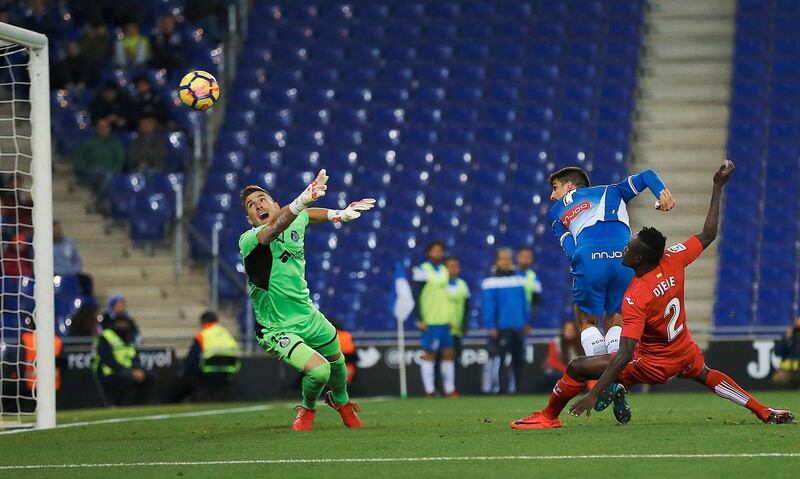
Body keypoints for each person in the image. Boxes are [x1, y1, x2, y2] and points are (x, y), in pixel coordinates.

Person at [512, 161, 796, 429]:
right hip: (684, 352)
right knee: (707, 374)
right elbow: (708, 234)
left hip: (647, 365)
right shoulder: (673, 258)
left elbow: (623, 355)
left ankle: (549, 416)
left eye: (629, 248)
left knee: (577, 365)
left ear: (639, 260)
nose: (625, 248)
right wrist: (717, 186)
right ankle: (764, 410)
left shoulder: (636, 296)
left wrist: (594, 392)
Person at [238, 171, 374, 431]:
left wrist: (339, 214)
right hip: (276, 327)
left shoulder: (296, 219)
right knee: (320, 371)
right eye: (251, 205)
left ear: (276, 205)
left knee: (338, 361)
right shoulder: (250, 240)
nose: (257, 205)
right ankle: (308, 407)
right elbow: (274, 228)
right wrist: (301, 199)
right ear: (249, 219)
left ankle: (340, 401)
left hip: (308, 315)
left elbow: (307, 216)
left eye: (262, 199)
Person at [547, 166, 674, 361]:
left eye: (555, 187)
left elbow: (569, 247)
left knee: (586, 321)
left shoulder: (556, 210)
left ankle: (600, 373)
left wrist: (584, 265)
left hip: (588, 254)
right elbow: (648, 175)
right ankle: (616, 376)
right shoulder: (613, 190)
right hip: (625, 257)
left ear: (569, 186)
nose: (552, 195)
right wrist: (662, 194)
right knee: (617, 319)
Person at [412, 241, 458, 398]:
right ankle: (429, 390)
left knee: (448, 353)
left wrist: (451, 317)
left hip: (445, 320)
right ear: (429, 253)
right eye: (435, 250)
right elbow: (415, 295)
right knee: (429, 354)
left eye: (440, 250)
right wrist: (419, 318)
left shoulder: (445, 271)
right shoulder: (422, 270)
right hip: (429, 320)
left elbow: (447, 296)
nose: (438, 253)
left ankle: (449, 389)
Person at [482, 248, 529, 394]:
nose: (506, 261)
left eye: (508, 258)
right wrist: (491, 326)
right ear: (496, 261)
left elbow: (523, 303)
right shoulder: (490, 282)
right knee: (501, 360)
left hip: (519, 326)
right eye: (502, 258)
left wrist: (526, 321)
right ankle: (500, 389)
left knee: (518, 360)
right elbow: (489, 306)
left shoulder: (519, 279)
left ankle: (518, 390)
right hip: (502, 327)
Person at [169, 311, 240, 403]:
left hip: (207, 372)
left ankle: (174, 402)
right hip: (227, 372)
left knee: (186, 375)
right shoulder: (226, 333)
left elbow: (191, 360)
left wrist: (182, 369)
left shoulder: (202, 335)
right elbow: (235, 350)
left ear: (203, 322)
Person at [93, 314, 152, 406]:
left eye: (124, 323)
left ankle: (145, 406)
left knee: (150, 377)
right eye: (120, 323)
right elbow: (108, 359)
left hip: (129, 371)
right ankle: (123, 405)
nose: (122, 326)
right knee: (127, 380)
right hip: (111, 372)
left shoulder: (130, 337)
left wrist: (137, 369)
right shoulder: (106, 336)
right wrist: (129, 372)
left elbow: (135, 356)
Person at [71, 118, 125, 190]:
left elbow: (120, 160)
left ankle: (99, 198)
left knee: (107, 177)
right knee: (99, 174)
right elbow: (78, 158)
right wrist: (86, 169)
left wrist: (113, 171)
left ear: (109, 129)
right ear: (96, 129)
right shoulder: (88, 142)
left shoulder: (115, 144)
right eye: (100, 127)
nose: (103, 129)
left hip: (109, 172)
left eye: (105, 127)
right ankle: (100, 198)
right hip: (92, 172)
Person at [444, 256, 470, 378]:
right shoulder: (440, 285)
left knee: (456, 359)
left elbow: (467, 307)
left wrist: (464, 324)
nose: (452, 269)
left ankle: (453, 388)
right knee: (441, 359)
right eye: (450, 266)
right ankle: (438, 389)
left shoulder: (463, 285)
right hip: (443, 328)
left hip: (457, 330)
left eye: (455, 266)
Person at [53, 220, 94, 296]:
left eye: (59, 230)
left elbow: (77, 260)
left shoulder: (70, 243)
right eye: (55, 231)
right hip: (56, 274)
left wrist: (74, 271)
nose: (57, 233)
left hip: (72, 273)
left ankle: (87, 304)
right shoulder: (48, 247)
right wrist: (60, 272)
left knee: (87, 280)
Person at [543, 320, 581, 388]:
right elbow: (552, 361)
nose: (570, 332)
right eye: (567, 329)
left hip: (575, 373)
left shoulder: (580, 343)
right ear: (563, 331)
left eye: (572, 330)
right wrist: (566, 371)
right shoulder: (555, 342)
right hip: (560, 372)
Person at [772, 316, 800, 389]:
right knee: (779, 378)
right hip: (789, 370)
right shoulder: (789, 335)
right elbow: (777, 352)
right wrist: (787, 338)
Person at [515, 247, 542, 322]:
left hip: (524, 317)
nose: (525, 259)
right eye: (523, 256)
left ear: (532, 260)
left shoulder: (534, 277)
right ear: (517, 257)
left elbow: (537, 302)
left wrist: (529, 319)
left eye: (528, 257)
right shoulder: (509, 274)